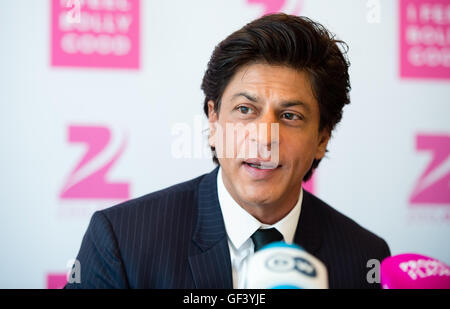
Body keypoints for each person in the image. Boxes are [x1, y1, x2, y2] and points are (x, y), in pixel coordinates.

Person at [65, 13, 390, 289]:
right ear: (214, 120)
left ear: (322, 138)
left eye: (290, 116)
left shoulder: (365, 257)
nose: (264, 138)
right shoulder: (123, 241)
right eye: (246, 110)